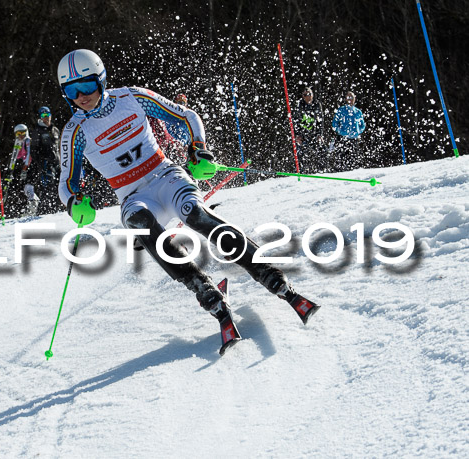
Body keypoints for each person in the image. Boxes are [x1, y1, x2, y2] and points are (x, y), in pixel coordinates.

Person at [56, 49, 320, 354]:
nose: (81, 96)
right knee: (137, 222)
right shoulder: (75, 132)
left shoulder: (131, 97)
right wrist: (74, 201)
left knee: (196, 215)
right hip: (133, 196)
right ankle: (202, 288)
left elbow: (185, 115)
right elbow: (67, 181)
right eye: (71, 91)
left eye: (86, 86)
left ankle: (270, 275)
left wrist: (198, 148)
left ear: (100, 80)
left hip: (166, 176)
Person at [30, 106, 62, 214]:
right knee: (48, 187)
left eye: (48, 115)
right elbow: (33, 150)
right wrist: (41, 162)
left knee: (60, 185)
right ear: (40, 117)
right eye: (43, 116)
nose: (46, 118)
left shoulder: (55, 130)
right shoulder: (37, 131)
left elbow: (59, 146)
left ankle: (59, 208)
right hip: (45, 164)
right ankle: (43, 210)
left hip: (57, 162)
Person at [294, 86, 327, 173]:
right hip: (303, 134)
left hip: (314, 133)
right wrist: (297, 135)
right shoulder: (299, 105)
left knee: (323, 150)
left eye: (309, 94)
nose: (307, 96)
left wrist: (320, 134)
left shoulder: (316, 104)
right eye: (305, 95)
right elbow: (296, 121)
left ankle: (322, 170)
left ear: (312, 95)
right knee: (300, 152)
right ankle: (302, 171)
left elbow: (320, 121)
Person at [331, 91, 366, 171]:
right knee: (341, 160)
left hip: (354, 139)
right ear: (345, 99)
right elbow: (334, 124)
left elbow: (362, 125)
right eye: (348, 97)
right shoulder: (341, 110)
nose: (350, 99)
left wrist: (357, 131)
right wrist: (341, 132)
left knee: (353, 160)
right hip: (342, 139)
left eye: (351, 97)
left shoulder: (358, 111)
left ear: (355, 98)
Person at [10, 123, 40, 216]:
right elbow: (15, 157)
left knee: (28, 186)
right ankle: (34, 203)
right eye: (18, 133)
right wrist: (11, 169)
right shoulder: (19, 142)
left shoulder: (28, 141)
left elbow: (28, 156)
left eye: (22, 133)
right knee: (25, 187)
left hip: (32, 166)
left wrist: (25, 167)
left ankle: (33, 205)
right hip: (25, 166)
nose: (20, 135)